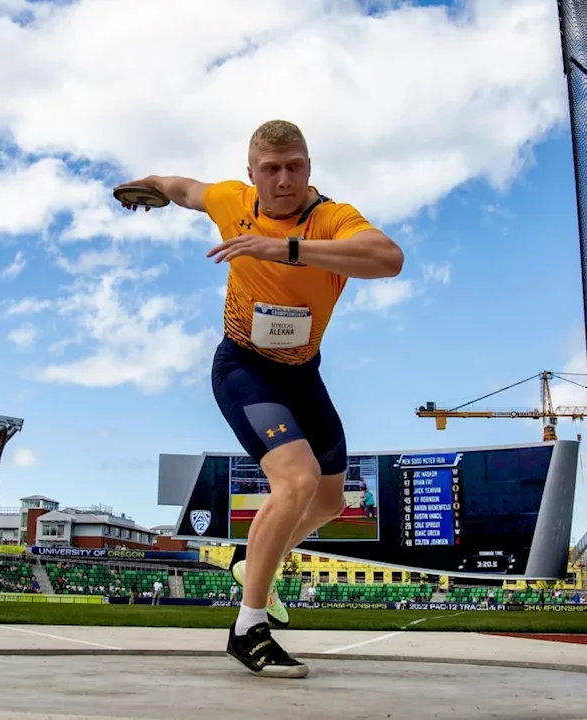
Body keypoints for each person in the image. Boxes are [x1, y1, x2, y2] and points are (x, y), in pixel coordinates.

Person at [117, 119, 403, 678]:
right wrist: (147, 185)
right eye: (270, 169)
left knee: (327, 503)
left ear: (309, 168)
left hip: (303, 375)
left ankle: (252, 564)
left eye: (294, 166)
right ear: (252, 174)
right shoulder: (233, 199)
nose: (283, 179)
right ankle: (249, 627)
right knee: (294, 481)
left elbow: (387, 259)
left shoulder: (332, 219)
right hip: (245, 367)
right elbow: (185, 190)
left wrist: (288, 249)